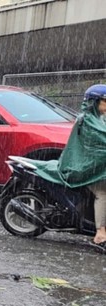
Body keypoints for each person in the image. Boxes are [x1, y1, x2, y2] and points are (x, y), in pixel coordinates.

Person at [35, 84, 106, 250]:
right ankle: (100, 232)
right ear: (94, 101)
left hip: (95, 165)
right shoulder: (87, 120)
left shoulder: (100, 118)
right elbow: (101, 141)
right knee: (103, 192)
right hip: (82, 167)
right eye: (105, 100)